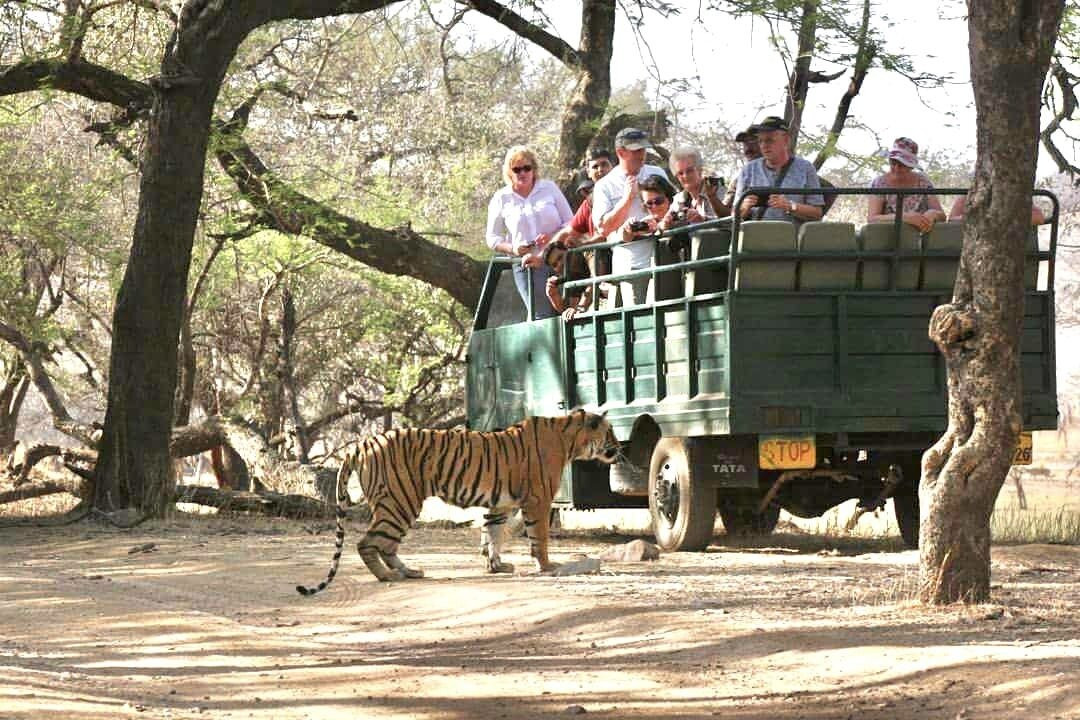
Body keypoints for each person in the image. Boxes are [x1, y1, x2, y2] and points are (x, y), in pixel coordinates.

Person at [485, 145, 572, 320]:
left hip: (559, 256)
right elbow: (492, 238)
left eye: (527, 168)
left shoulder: (549, 188)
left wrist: (552, 238)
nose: (522, 173)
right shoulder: (501, 198)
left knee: (567, 309)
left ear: (534, 169)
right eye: (517, 169)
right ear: (509, 172)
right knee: (542, 316)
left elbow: (571, 222)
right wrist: (514, 248)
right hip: (526, 265)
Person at [592, 127, 668, 305]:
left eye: (643, 148)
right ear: (620, 152)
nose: (642, 154)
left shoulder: (656, 173)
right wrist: (627, 199)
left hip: (665, 257)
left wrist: (659, 221)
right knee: (641, 323)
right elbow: (603, 228)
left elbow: (672, 206)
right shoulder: (605, 185)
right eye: (636, 150)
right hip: (632, 265)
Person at [733, 116, 824, 225]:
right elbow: (734, 215)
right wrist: (744, 207)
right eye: (760, 141)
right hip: (754, 237)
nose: (764, 146)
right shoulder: (748, 170)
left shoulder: (805, 168)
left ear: (786, 140)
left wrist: (790, 206)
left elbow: (817, 213)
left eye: (769, 140)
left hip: (791, 239)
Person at [612, 174, 680, 304]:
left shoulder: (679, 213)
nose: (654, 206)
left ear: (669, 199)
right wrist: (629, 230)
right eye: (649, 203)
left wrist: (661, 228)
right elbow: (624, 238)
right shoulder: (648, 222)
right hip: (654, 276)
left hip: (676, 278)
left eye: (658, 201)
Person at [866, 137, 946, 232]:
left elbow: (942, 216)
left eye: (902, 164)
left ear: (911, 166)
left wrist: (933, 214)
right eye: (893, 162)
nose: (896, 167)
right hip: (888, 236)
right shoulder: (879, 183)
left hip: (919, 238)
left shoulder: (923, 182)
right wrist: (903, 217)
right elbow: (872, 218)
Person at [524, 240, 593, 321]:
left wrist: (580, 307)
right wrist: (554, 296)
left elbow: (595, 280)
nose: (560, 264)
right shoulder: (570, 276)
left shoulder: (587, 252)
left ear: (568, 250)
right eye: (555, 265)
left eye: (560, 257)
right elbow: (567, 310)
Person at [669, 146, 727, 219]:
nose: (685, 176)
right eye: (680, 173)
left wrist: (703, 220)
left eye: (689, 170)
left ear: (700, 170)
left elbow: (728, 221)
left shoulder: (717, 191)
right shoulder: (678, 200)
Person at [721, 126, 763, 210]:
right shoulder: (740, 179)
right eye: (745, 143)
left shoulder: (780, 170)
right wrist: (712, 197)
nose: (748, 148)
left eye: (752, 141)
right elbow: (726, 213)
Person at [948, 194, 1046, 226]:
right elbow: (951, 221)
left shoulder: (1015, 196)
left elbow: (1038, 217)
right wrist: (973, 219)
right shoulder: (966, 197)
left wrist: (1000, 219)